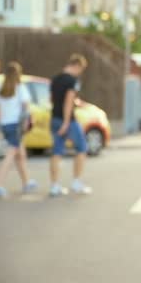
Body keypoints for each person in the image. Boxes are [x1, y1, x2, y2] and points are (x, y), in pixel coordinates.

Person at [49, 54, 91, 196]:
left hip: (54, 117)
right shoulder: (72, 81)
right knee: (82, 147)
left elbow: (54, 100)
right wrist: (66, 122)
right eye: (81, 69)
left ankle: (55, 186)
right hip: (67, 120)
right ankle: (77, 182)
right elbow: (68, 101)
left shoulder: (55, 79)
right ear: (77, 66)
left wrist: (77, 103)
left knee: (57, 151)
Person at [0, 61, 38, 198]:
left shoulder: (0, 87)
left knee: (21, 154)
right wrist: (28, 122)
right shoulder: (20, 87)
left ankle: (26, 182)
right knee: (10, 155)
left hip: (5, 124)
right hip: (16, 126)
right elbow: (26, 108)